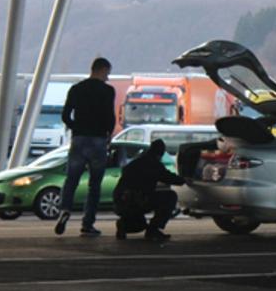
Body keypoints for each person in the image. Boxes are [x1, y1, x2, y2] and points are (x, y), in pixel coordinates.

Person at [55, 57, 116, 237]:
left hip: (79, 139)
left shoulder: (76, 89)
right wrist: (107, 135)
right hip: (98, 140)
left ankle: (65, 209)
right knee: (94, 185)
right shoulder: (107, 91)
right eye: (107, 74)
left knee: (71, 179)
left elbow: (65, 115)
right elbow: (110, 117)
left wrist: (77, 128)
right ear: (103, 70)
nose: (108, 78)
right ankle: (87, 224)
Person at [112, 139, 186, 242]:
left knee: (137, 221)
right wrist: (185, 179)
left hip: (120, 201)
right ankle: (153, 230)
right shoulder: (153, 164)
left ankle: (123, 225)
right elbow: (170, 178)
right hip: (137, 200)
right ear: (160, 153)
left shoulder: (135, 163)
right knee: (170, 197)